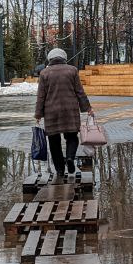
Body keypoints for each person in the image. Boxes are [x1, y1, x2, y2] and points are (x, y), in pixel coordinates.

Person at [33, 48, 91, 177]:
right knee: (72, 137)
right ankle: (70, 158)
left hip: (51, 112)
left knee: (54, 141)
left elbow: (41, 96)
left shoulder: (44, 73)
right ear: (64, 58)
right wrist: (87, 108)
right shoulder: (72, 70)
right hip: (70, 110)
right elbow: (79, 92)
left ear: (50, 59)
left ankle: (59, 169)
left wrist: (38, 114)